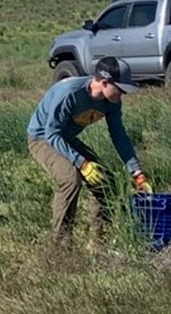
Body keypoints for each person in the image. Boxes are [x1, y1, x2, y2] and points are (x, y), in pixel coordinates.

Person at [27, 56, 153, 239]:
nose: (123, 94)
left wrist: (137, 174)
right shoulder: (69, 93)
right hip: (42, 139)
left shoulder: (112, 102)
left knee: (105, 180)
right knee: (70, 178)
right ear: (104, 83)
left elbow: (119, 135)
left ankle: (98, 240)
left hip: (66, 138)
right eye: (120, 89)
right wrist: (82, 163)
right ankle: (61, 243)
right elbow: (52, 134)